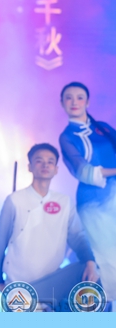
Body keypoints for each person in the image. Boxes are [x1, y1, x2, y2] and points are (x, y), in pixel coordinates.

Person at [0, 143, 98, 310]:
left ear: (56, 169)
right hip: (19, 283)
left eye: (50, 162)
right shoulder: (15, 200)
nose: (45, 165)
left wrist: (90, 262)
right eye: (39, 161)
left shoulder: (64, 202)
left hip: (52, 282)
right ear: (30, 167)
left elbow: (78, 237)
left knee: (92, 273)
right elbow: (0, 239)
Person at [59, 82, 116, 303]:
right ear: (62, 103)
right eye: (69, 97)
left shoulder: (103, 128)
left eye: (80, 97)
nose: (74, 102)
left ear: (88, 102)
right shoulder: (67, 137)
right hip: (94, 204)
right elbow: (83, 171)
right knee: (109, 261)